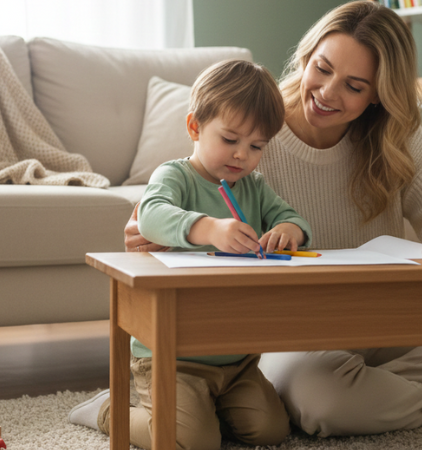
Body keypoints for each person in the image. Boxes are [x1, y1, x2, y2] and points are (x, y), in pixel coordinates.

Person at [118, 0, 422, 440]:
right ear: (306, 58)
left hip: (378, 316)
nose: (326, 92)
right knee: (321, 398)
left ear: (379, 93)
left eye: (354, 86)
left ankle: (367, 389)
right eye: (321, 69)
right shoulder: (255, 131)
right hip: (291, 336)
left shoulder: (397, 137)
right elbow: (176, 197)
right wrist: (167, 233)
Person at [69, 59, 312, 449]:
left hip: (238, 361)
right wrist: (210, 229)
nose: (241, 156)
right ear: (195, 127)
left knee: (270, 430)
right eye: (230, 140)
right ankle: (108, 411)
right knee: (192, 443)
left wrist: (288, 230)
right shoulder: (175, 175)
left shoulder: (254, 186)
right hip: (171, 357)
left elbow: (291, 218)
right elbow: (151, 215)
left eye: (256, 146)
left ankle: (207, 408)